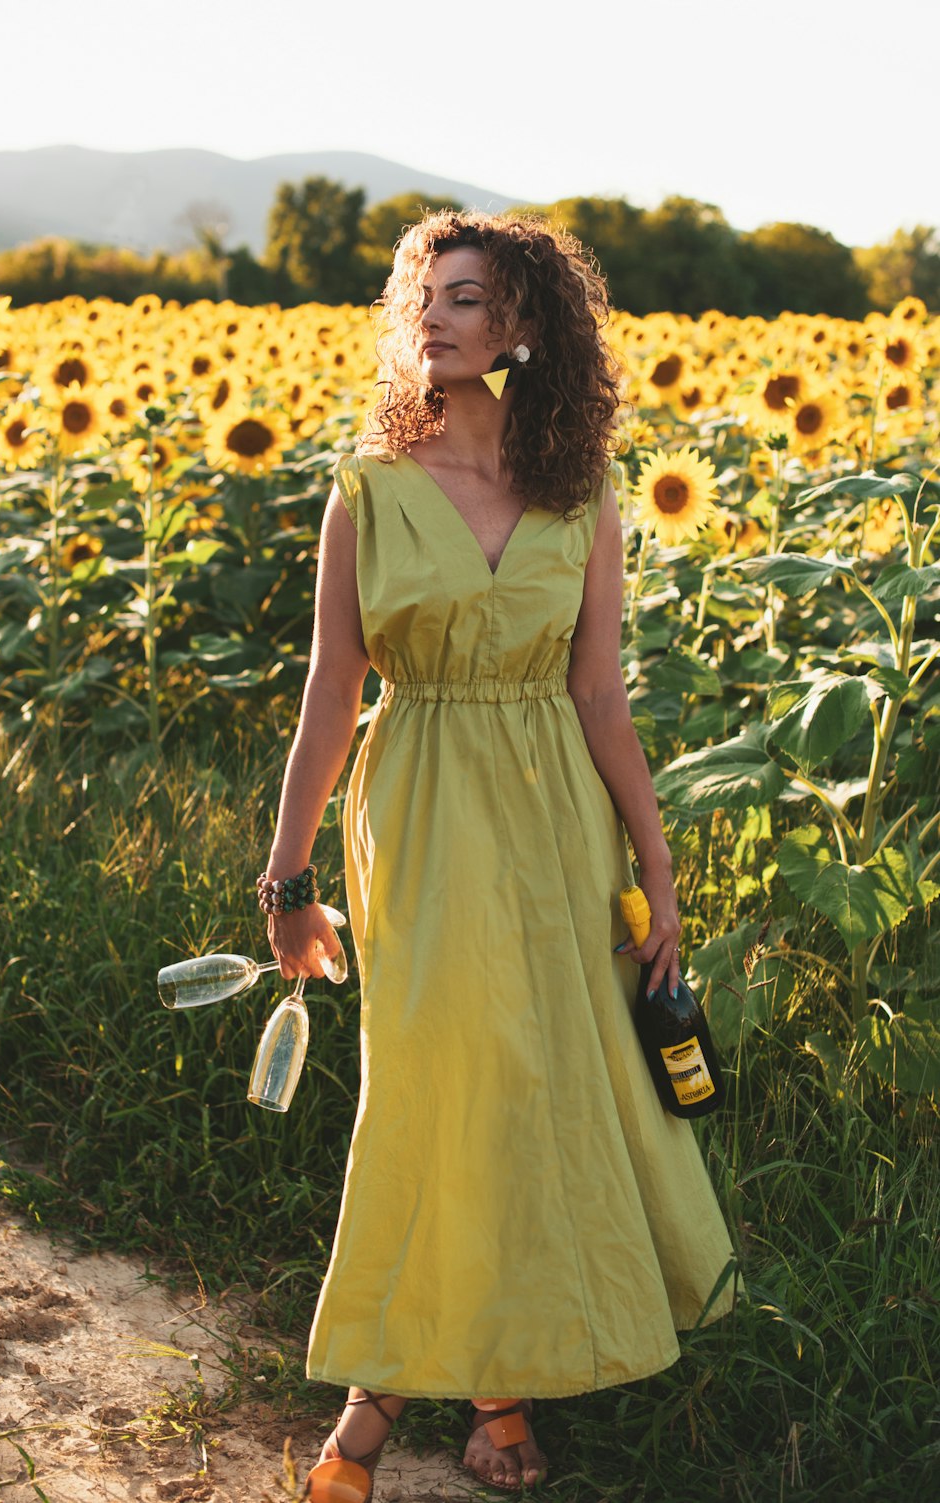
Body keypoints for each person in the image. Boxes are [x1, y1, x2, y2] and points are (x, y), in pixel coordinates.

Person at [260, 210, 735, 1499]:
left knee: (528, 1092)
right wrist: (287, 879)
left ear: (522, 328)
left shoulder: (581, 493)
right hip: (415, 812)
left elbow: (600, 695)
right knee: (431, 1088)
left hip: (556, 829)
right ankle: (373, 1402)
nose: (436, 315)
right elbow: (329, 691)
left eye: (467, 298)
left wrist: (658, 865)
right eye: (424, 292)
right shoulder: (365, 490)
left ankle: (501, 1387)